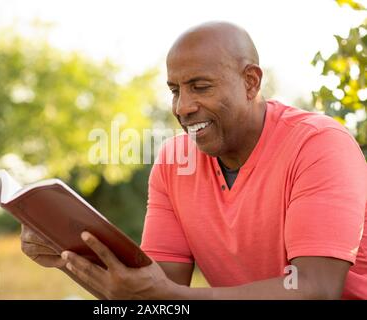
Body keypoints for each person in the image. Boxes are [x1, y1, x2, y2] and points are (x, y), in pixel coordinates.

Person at [20, 21, 367, 299]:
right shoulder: (174, 161)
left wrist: (175, 297)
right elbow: (153, 294)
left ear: (250, 82)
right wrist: (66, 258)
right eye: (175, 90)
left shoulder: (318, 145)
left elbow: (316, 289)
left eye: (200, 87)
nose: (182, 107)